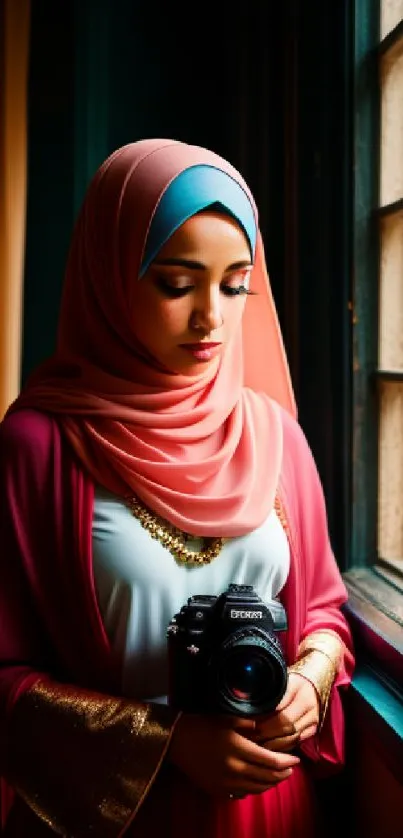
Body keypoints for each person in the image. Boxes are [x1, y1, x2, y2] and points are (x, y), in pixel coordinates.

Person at [0, 138, 354, 838]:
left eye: (234, 284)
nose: (211, 319)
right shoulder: (38, 446)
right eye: (175, 283)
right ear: (109, 275)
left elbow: (324, 617)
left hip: (267, 809)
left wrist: (308, 685)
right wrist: (162, 742)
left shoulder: (272, 434)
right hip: (111, 814)